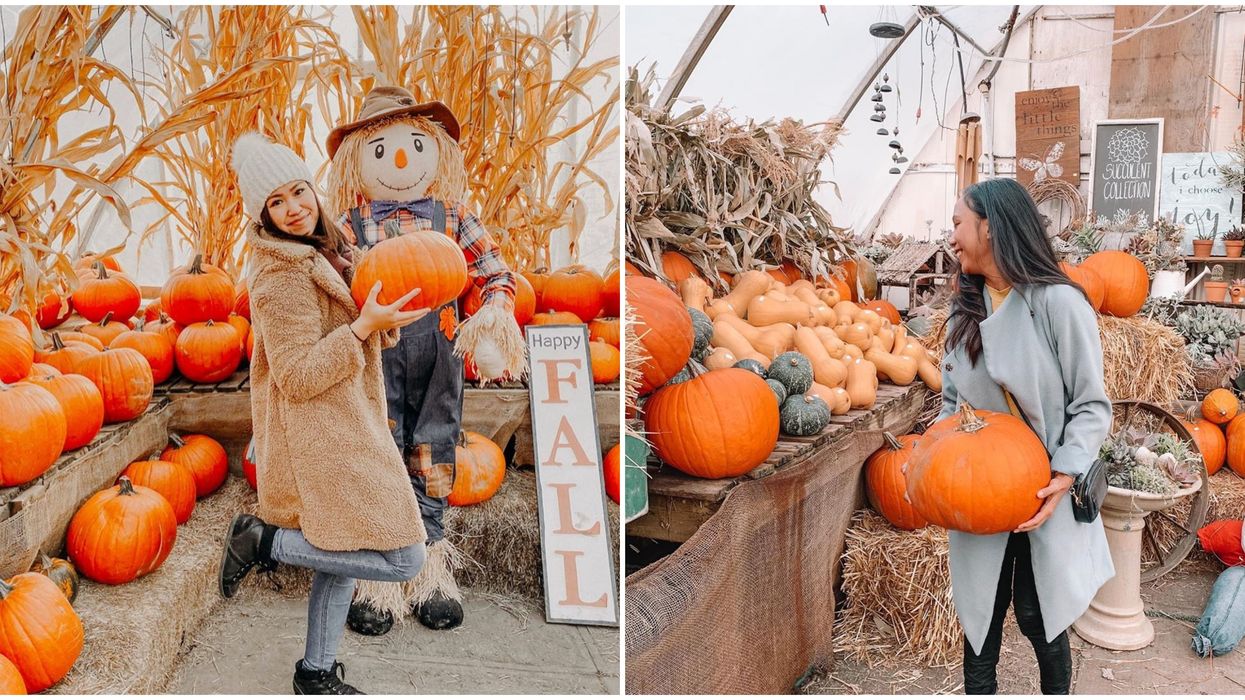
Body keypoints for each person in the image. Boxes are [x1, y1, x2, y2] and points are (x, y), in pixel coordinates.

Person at [218, 132, 430, 695]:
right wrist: (363, 328)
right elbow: (297, 376)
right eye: (277, 202)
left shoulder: (325, 247)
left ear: (312, 188)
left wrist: (381, 324)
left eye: (298, 192)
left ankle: (315, 670)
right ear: (261, 213)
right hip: (322, 436)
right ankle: (261, 542)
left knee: (340, 553)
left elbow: (347, 334)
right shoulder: (279, 277)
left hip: (347, 420)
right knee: (405, 558)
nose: (293, 209)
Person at [325, 86, 526, 634]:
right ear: (356, 160)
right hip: (377, 353)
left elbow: (497, 275)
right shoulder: (349, 224)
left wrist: (492, 318)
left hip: (438, 350)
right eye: (381, 150)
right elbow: (330, 284)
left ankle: (431, 570)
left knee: (434, 447)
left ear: (434, 150)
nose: (399, 161)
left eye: (414, 146)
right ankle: (378, 576)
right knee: (379, 449)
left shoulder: (452, 216)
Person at [937, 177, 1115, 694]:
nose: (952, 237)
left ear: (989, 228)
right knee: (981, 625)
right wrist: (930, 453)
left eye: (958, 224)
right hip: (980, 491)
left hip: (1045, 492)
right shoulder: (963, 310)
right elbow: (952, 406)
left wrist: (1065, 472)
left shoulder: (1059, 303)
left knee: (1042, 619)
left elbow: (1091, 406)